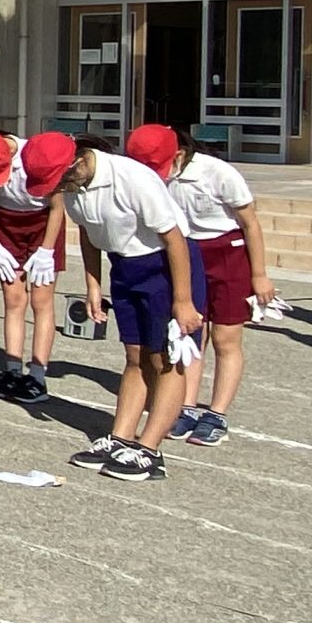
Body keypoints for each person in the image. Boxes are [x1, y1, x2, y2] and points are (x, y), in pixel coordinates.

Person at [56, 135, 207, 482]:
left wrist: (183, 300)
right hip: (125, 267)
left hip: (165, 268)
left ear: (78, 162)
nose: (59, 187)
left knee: (166, 359)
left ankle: (150, 451)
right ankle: (120, 437)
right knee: (136, 356)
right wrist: (93, 285)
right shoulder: (73, 187)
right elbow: (88, 233)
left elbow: (174, 239)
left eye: (61, 178)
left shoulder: (132, 178)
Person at [126, 124, 273, 445]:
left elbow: (250, 222)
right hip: (187, 254)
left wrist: (259, 274)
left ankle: (217, 413)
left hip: (227, 253)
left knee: (225, 337)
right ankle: (187, 406)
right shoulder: (151, 177)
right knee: (190, 333)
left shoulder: (217, 173)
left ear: (178, 154)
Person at [0, 130, 67, 405]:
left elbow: (57, 207)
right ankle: (12, 370)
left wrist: (46, 250)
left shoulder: (36, 154)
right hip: (6, 223)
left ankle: (37, 375)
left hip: (43, 223)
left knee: (41, 300)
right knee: (13, 298)